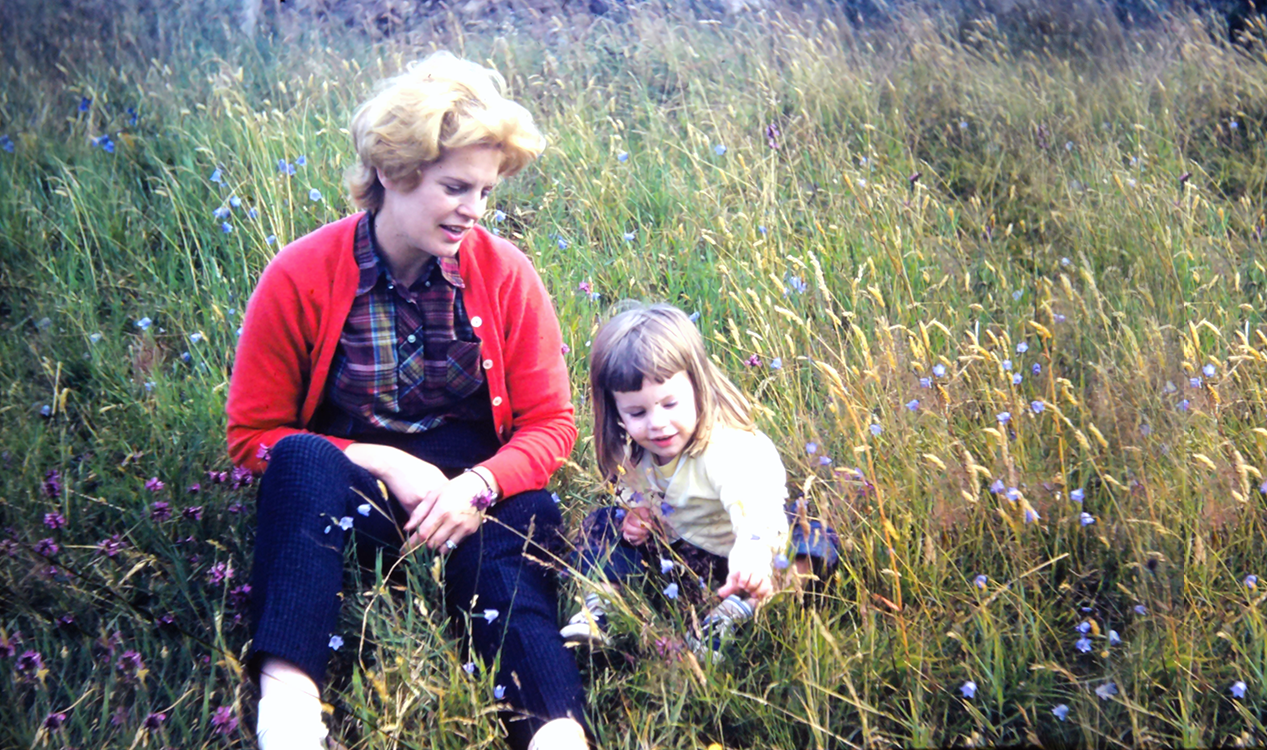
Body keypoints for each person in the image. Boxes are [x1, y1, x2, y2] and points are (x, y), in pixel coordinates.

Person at [226, 52, 588, 750]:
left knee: (526, 522)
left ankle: (554, 733)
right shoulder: (299, 274)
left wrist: (478, 486)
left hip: (473, 493)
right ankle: (289, 712)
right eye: (455, 187)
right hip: (354, 487)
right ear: (394, 173)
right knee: (300, 462)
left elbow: (550, 422)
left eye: (484, 191)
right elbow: (253, 438)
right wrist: (384, 461)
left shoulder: (506, 275)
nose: (473, 212)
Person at [562, 303, 838, 661]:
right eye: (638, 412)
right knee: (603, 523)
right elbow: (637, 490)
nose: (657, 423)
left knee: (814, 540)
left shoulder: (726, 447)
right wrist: (639, 513)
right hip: (681, 560)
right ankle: (602, 607)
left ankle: (736, 612)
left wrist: (752, 548)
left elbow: (753, 502)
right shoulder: (638, 449)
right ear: (616, 413)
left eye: (670, 403)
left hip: (743, 560)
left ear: (698, 387)